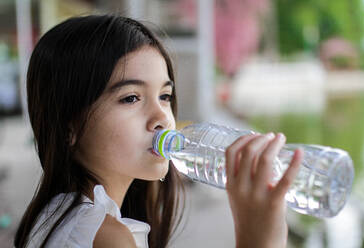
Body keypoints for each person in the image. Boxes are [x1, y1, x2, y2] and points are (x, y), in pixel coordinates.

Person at [14, 15, 303, 248]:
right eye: (131, 98)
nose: (162, 118)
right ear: (69, 128)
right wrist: (257, 239)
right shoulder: (103, 236)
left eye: (164, 97)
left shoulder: (58, 217)